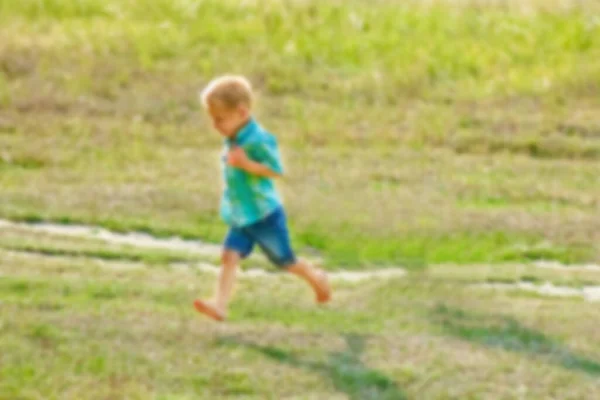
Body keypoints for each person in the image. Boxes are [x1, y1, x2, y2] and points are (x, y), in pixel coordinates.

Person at [193, 75, 332, 321]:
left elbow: (275, 169)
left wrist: (247, 164)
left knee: (285, 261)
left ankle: (316, 277)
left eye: (220, 119)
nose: (215, 125)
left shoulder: (258, 139)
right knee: (229, 256)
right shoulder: (233, 139)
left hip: (264, 215)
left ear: (242, 112)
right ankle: (220, 305)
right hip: (242, 215)